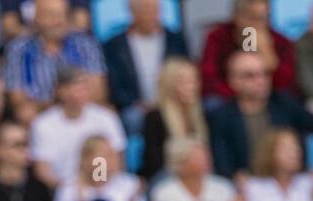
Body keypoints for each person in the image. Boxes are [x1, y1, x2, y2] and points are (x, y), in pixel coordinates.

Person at [208, 50, 313, 182]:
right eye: (250, 76)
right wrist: (234, 177)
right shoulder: (222, 117)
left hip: (290, 186)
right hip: (249, 189)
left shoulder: (283, 103)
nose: (261, 81)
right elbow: (221, 162)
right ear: (233, 81)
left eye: (265, 74)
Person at [2, 0, 106, 121]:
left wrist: (70, 105)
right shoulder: (18, 48)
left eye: (62, 15)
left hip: (81, 112)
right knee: (25, 113)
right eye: (49, 15)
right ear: (35, 19)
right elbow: (17, 100)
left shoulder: (85, 44)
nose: (57, 21)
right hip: (40, 115)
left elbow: (98, 93)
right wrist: (57, 108)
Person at [29, 66, 126, 189]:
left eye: (84, 87)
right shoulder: (43, 124)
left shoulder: (105, 118)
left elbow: (117, 160)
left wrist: (97, 187)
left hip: (102, 185)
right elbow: (43, 169)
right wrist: (70, 190)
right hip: (63, 188)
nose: (81, 91)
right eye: (75, 86)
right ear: (60, 91)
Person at [103, 0, 189, 132]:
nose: (151, 15)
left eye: (155, 10)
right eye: (145, 10)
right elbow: (114, 83)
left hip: (172, 101)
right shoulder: (114, 45)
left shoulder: (176, 40)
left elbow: (185, 71)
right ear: (132, 13)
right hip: (134, 106)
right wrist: (136, 103)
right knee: (134, 119)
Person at [50, 135, 148, 201]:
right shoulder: (68, 189)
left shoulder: (131, 185)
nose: (115, 159)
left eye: (114, 154)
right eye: (107, 155)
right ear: (87, 160)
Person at [201, 0, 298, 103]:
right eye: (253, 18)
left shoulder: (280, 41)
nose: (258, 25)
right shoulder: (217, 37)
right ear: (237, 17)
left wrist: (268, 55)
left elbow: (286, 83)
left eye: (264, 18)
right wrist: (240, 96)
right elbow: (209, 78)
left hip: (268, 99)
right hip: (229, 99)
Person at [138, 57, 208, 181]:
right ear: (170, 84)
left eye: (193, 81)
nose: (191, 87)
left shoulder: (202, 114)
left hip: (200, 177)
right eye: (184, 82)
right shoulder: (155, 117)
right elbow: (153, 163)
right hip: (167, 178)